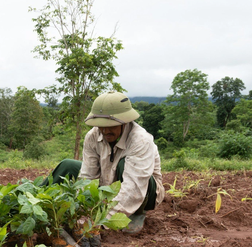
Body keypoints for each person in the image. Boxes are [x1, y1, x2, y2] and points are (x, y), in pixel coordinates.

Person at [45, 91, 164, 234]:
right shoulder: (93, 136)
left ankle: (135, 214)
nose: (105, 130)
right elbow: (87, 177)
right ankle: (32, 207)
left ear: (124, 122)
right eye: (101, 125)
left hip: (144, 192)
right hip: (107, 188)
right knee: (68, 165)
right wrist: (82, 211)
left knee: (123, 164)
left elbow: (134, 189)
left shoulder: (140, 140)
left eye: (111, 126)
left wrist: (101, 222)